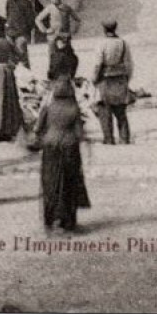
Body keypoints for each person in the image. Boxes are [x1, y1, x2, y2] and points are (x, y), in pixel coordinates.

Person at [33, 79, 91, 233]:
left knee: (51, 184)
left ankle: (50, 219)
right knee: (69, 183)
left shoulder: (47, 108)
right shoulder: (74, 109)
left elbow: (37, 129)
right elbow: (79, 133)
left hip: (51, 147)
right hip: (69, 148)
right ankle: (68, 221)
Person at [91, 19, 134, 145]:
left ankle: (109, 139)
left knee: (105, 112)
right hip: (120, 79)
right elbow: (129, 64)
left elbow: (97, 64)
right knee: (121, 112)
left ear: (104, 29)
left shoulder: (101, 44)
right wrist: (127, 79)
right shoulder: (123, 43)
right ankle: (124, 139)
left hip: (105, 80)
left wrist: (94, 78)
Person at [0, 23, 25, 140]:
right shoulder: (7, 42)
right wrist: (11, 64)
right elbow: (19, 55)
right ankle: (10, 127)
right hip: (8, 72)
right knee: (9, 99)